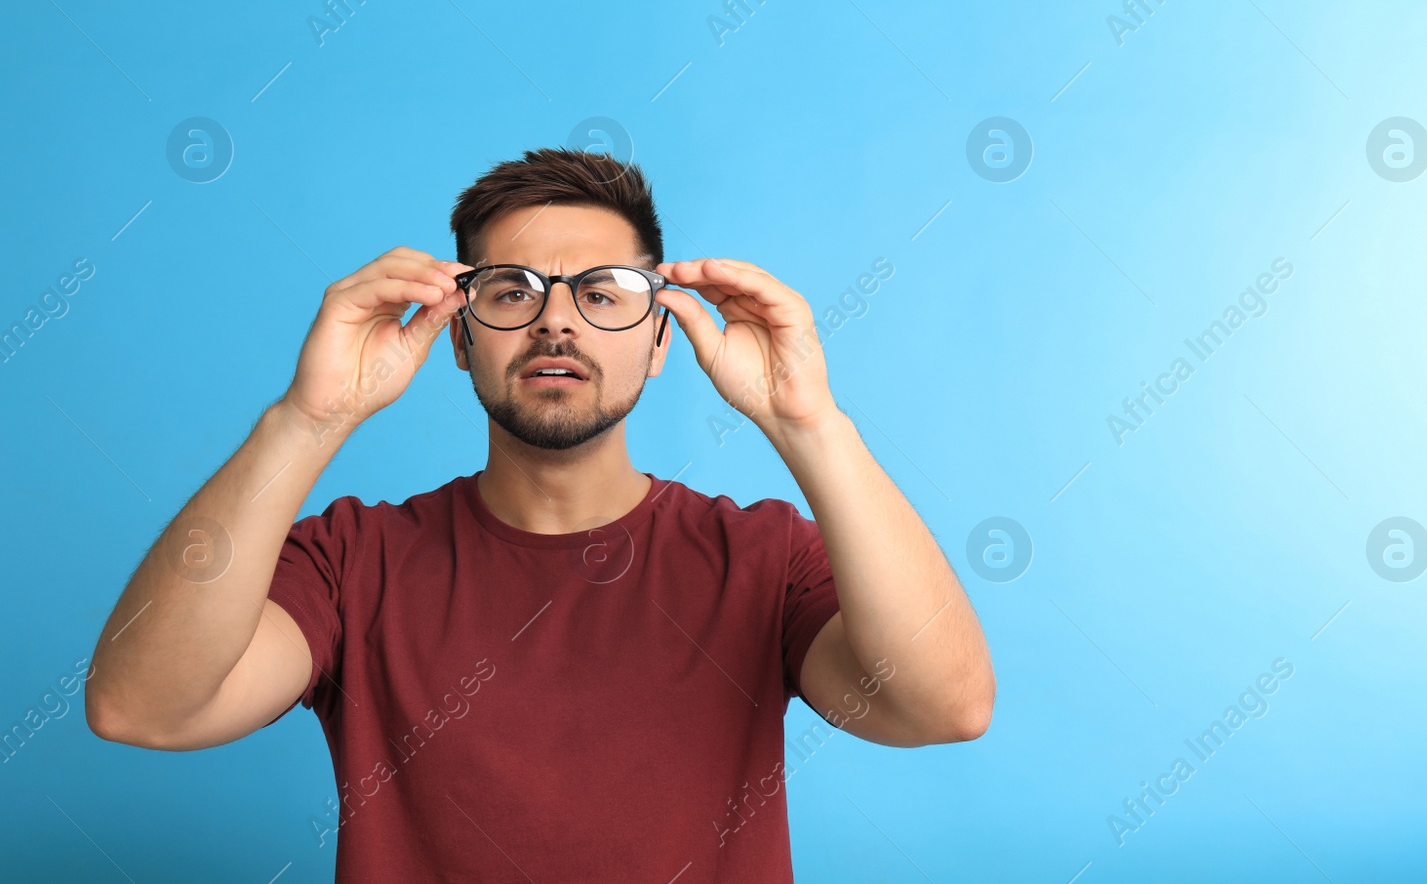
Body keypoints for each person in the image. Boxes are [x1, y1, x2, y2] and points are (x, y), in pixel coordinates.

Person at [84, 147, 994, 882]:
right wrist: (307, 419)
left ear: (660, 341)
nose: (556, 323)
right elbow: (144, 707)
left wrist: (808, 422)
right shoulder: (352, 560)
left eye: (602, 293)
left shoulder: (760, 555)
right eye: (512, 291)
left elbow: (942, 706)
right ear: (459, 337)